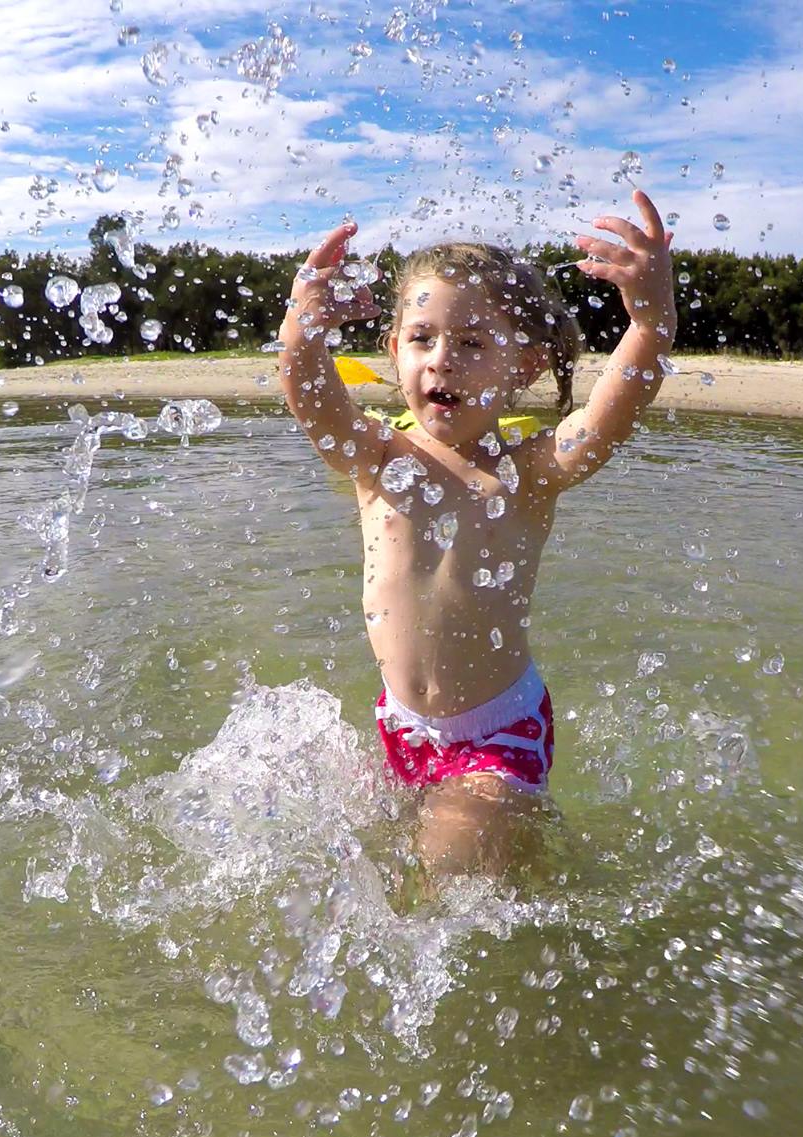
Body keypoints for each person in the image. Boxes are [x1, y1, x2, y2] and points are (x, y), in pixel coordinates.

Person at [275, 189, 677, 878]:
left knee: (442, 877)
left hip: (500, 733)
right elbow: (311, 397)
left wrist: (651, 322)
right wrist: (301, 328)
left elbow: (613, 411)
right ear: (394, 351)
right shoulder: (375, 461)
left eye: (471, 343)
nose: (442, 360)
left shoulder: (529, 473)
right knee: (379, 874)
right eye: (422, 339)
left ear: (521, 366)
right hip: (399, 724)